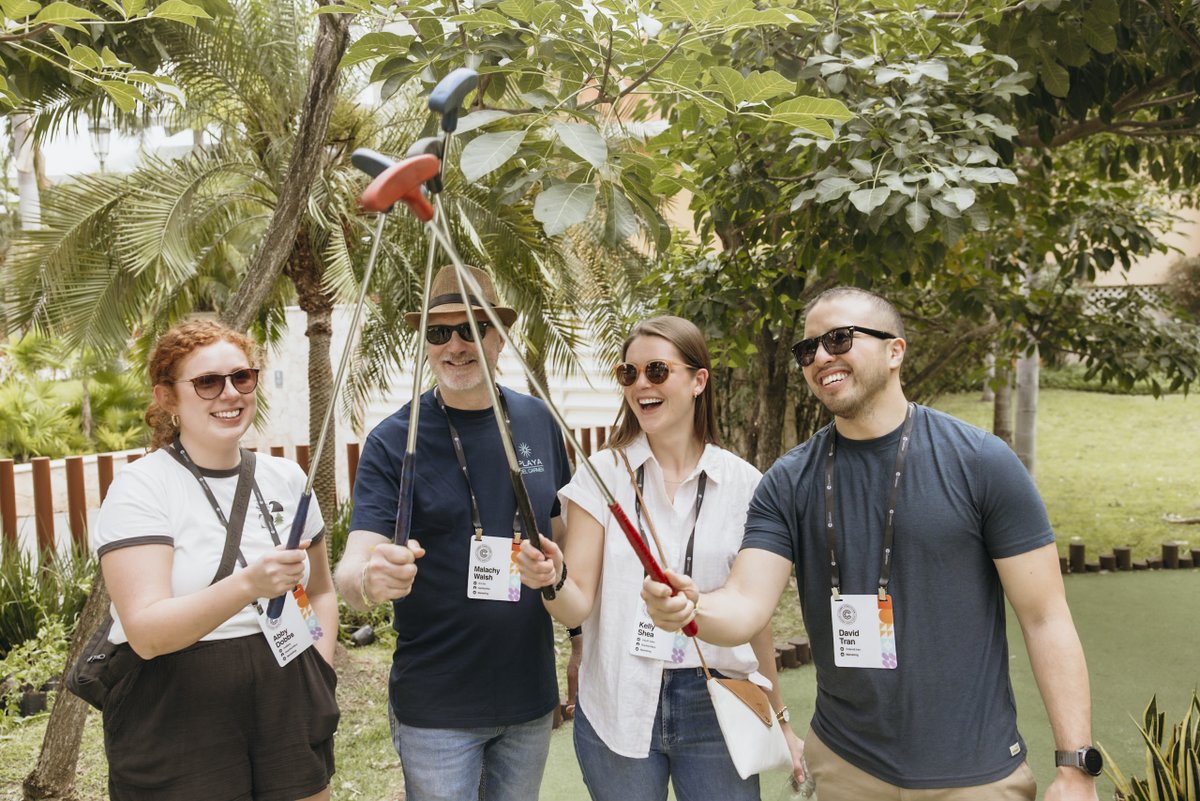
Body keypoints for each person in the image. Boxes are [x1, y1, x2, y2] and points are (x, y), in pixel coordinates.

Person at [642, 287, 1101, 801]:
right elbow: (745, 605)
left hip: (975, 774)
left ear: (894, 351)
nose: (821, 358)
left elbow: (1045, 616)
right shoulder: (789, 480)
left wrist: (1074, 766)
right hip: (844, 768)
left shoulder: (980, 462)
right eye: (807, 349)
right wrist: (692, 605)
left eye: (839, 339)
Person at [516, 315, 805, 801]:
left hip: (717, 696)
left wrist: (780, 718)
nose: (641, 385)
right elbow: (576, 604)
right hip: (618, 696)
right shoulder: (600, 474)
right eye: (628, 374)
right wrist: (552, 579)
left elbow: (754, 618)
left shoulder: (745, 485)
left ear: (698, 380)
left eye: (656, 370)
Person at [334, 264, 572, 801]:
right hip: (436, 710)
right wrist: (371, 580)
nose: (455, 345)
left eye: (470, 327)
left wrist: (578, 640)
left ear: (498, 334)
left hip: (529, 698)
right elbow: (351, 570)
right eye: (438, 332)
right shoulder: (394, 441)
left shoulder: (538, 421)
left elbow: (565, 545)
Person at [92, 319, 339, 801]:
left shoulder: (287, 478)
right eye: (207, 382)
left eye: (241, 377)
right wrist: (248, 585)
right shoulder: (142, 486)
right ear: (167, 398)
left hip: (287, 690)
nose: (229, 394)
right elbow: (144, 632)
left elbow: (323, 590)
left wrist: (318, 668)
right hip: (178, 703)